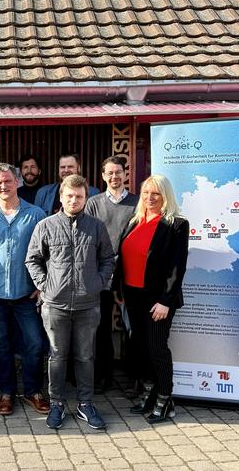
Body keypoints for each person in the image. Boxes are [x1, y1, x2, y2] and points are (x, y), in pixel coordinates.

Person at [26, 174, 115, 430]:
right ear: (62, 197)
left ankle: (85, 404)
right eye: (69, 196)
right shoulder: (46, 225)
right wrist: (46, 286)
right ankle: (57, 404)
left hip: (88, 304)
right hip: (55, 305)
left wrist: (97, 283)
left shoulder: (96, 227)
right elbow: (32, 260)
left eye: (79, 196)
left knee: (86, 357)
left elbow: (108, 259)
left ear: (85, 197)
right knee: (56, 356)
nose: (74, 200)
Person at [0, 163, 49, 416]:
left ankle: (33, 391)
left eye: (7, 181)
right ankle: (6, 392)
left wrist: (42, 284)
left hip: (26, 294)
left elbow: (46, 253)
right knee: (2, 346)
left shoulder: (36, 214)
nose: (3, 186)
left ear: (17, 182)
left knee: (35, 344)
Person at [116, 174, 189, 424]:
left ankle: (165, 398)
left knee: (157, 349)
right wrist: (120, 292)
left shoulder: (176, 224)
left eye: (156, 193)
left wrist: (166, 301)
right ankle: (148, 393)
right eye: (146, 192)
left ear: (165, 195)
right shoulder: (134, 220)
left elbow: (177, 267)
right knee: (141, 349)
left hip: (158, 300)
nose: (150, 198)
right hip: (133, 296)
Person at [85, 156, 139, 393]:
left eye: (119, 172)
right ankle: (103, 376)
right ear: (103, 176)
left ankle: (134, 377)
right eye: (110, 173)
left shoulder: (138, 203)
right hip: (102, 274)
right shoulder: (93, 203)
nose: (114, 176)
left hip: (132, 274)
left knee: (134, 327)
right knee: (101, 328)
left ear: (125, 174)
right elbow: (87, 238)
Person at [35, 153, 100, 215]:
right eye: (62, 167)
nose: (66, 170)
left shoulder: (94, 194)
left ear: (79, 168)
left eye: (70, 167)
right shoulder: (43, 193)